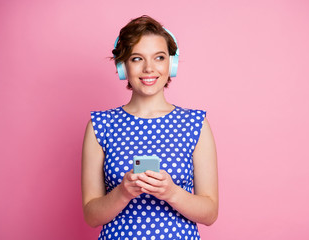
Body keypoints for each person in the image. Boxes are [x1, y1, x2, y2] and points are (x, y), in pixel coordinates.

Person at [81, 15, 218, 240]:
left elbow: (210, 213)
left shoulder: (196, 125)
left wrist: (171, 193)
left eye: (159, 57)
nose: (149, 68)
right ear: (122, 65)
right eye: (137, 58)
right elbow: (91, 216)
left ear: (170, 64)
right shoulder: (99, 126)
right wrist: (122, 194)